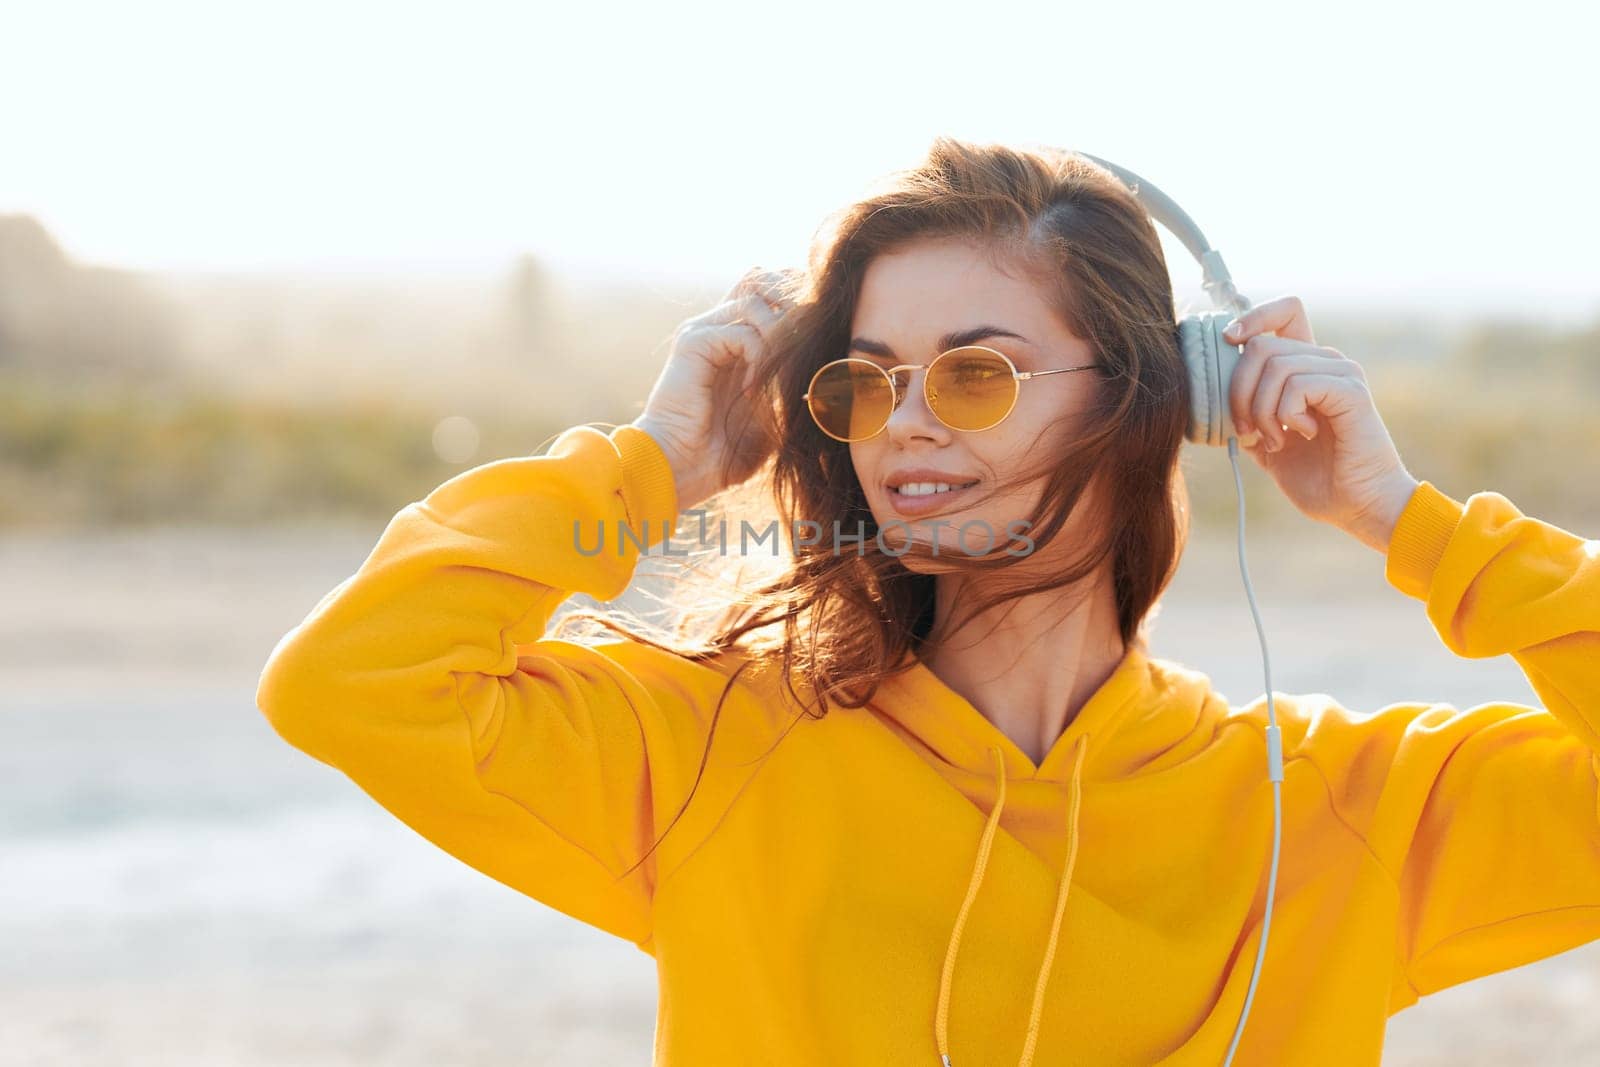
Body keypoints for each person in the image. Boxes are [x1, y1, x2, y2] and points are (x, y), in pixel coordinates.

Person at [255, 138, 1600, 1066]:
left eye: (976, 374)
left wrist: (1402, 517)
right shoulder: (717, 747)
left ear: (1145, 399)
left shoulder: (1334, 811)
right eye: (866, 378)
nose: (903, 428)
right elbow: (351, 682)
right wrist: (657, 461)